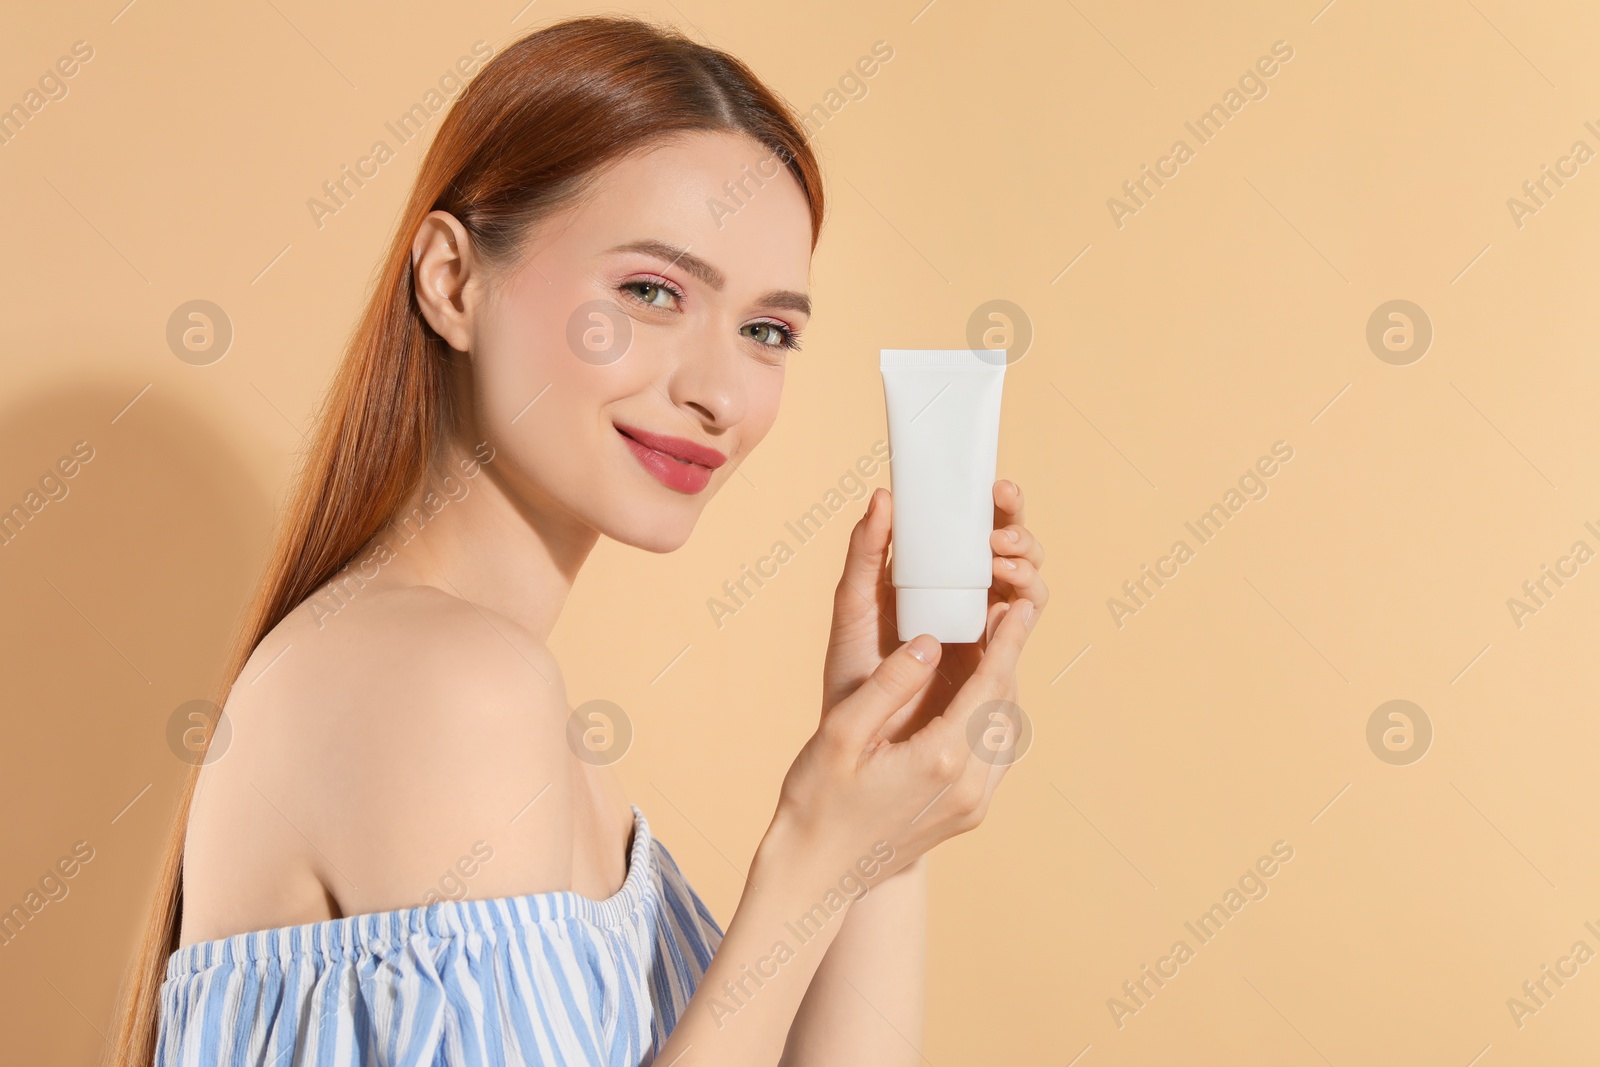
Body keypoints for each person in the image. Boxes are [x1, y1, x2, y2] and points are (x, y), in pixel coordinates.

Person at [111, 14, 1048, 1066]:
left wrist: (883, 809)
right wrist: (811, 860)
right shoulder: (443, 686)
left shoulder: (493, 696)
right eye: (652, 292)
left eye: (767, 330)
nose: (719, 390)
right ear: (452, 281)